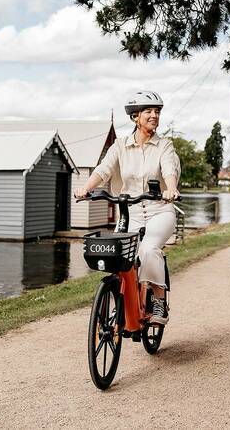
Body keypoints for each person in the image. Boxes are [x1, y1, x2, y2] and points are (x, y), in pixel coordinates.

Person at [74, 91, 181, 325]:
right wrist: (86, 188)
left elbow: (169, 169)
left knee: (148, 249)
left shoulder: (164, 145)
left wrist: (171, 188)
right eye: (148, 111)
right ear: (135, 117)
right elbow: (104, 170)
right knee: (121, 255)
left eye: (157, 111)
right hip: (130, 212)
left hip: (159, 211)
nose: (154, 116)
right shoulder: (120, 146)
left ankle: (160, 301)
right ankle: (124, 301)